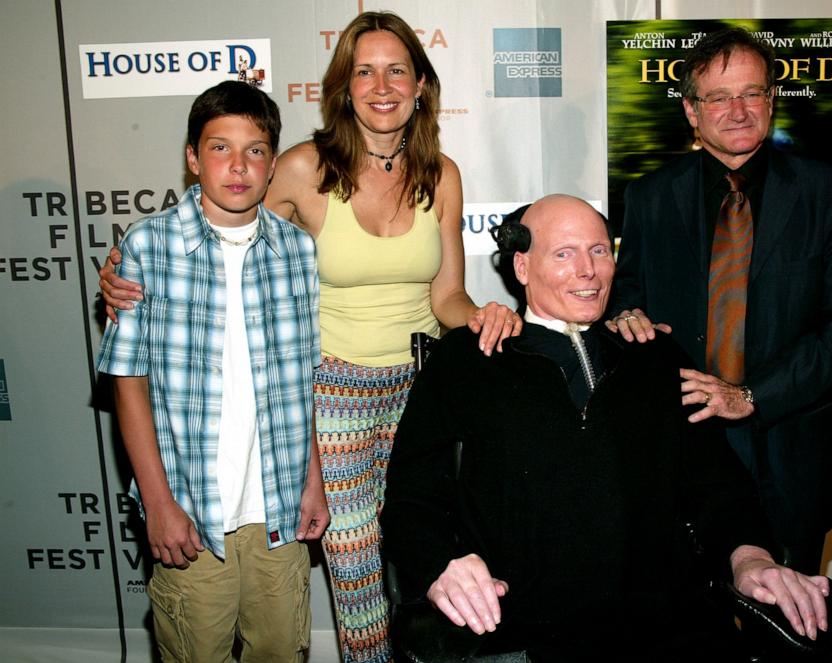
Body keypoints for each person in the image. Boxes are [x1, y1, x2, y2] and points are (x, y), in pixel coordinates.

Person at [98, 12, 521, 663]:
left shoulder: (443, 173)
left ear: (420, 84)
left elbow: (446, 297)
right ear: (343, 87)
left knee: (427, 560)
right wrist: (127, 280)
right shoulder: (299, 168)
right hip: (332, 398)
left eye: (396, 69)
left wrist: (490, 317)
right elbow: (225, 249)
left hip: (423, 392)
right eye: (363, 71)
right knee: (356, 586)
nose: (381, 85)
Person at [380, 195, 831, 661]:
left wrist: (749, 556)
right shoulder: (468, 361)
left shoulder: (654, 356)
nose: (588, 270)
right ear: (522, 267)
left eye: (599, 251)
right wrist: (441, 566)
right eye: (563, 254)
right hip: (522, 629)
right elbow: (411, 500)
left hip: (664, 625)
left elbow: (718, 483)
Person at [609, 28, 832, 575]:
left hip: (791, 451)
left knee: (788, 622)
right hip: (681, 457)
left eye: (751, 93)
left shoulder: (831, 194)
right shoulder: (649, 196)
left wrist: (751, 394)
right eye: (718, 97)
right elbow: (626, 294)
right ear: (690, 110)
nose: (737, 110)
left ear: (772, 100)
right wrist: (625, 314)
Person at [96, 80, 326, 662]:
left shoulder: (297, 251)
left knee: (281, 649)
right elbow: (129, 383)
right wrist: (158, 501)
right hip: (190, 511)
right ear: (193, 158)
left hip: (277, 510)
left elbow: (303, 381)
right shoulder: (148, 247)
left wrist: (313, 478)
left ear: (273, 164)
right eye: (220, 148)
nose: (238, 166)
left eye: (255, 150)